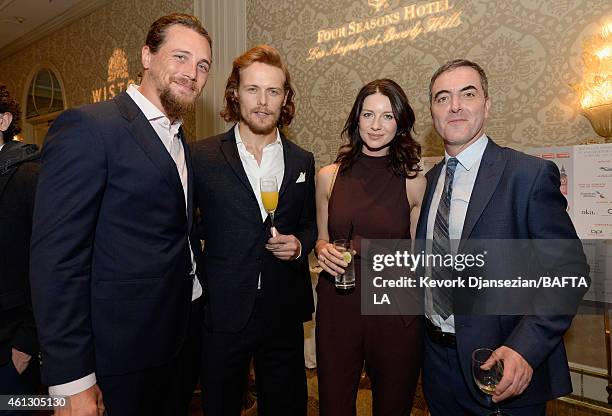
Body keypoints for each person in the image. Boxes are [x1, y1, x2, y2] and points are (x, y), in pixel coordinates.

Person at [29, 13, 211, 416]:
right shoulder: (89, 128)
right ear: (146, 56)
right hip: (118, 356)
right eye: (180, 57)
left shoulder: (180, 139)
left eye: (202, 66)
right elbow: (56, 262)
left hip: (177, 340)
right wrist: (72, 380)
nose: (192, 73)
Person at [416, 59, 590, 415]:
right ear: (433, 112)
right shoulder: (431, 181)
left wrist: (525, 348)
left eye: (468, 94)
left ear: (487, 105)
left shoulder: (528, 176)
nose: (455, 106)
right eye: (442, 98)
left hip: (501, 366)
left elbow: (569, 274)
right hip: (437, 365)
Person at [191, 44, 316, 416]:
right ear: (234, 93)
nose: (263, 102)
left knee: (287, 406)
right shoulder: (201, 155)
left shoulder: (301, 159)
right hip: (223, 309)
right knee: (221, 405)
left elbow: (309, 224)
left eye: (273, 91)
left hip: (283, 310)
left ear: (285, 97)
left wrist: (299, 245)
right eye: (252, 89)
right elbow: (182, 225)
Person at [315, 78, 426, 416]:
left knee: (393, 405)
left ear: (401, 123)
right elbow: (321, 238)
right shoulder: (328, 176)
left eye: (388, 116)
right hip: (339, 303)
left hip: (394, 306)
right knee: (334, 404)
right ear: (356, 119)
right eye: (368, 114)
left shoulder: (414, 181)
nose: (376, 125)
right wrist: (321, 250)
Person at [0, 85, 40, 415]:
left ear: (4, 121)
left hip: (10, 349)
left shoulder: (29, 175)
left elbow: (49, 265)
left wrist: (27, 341)